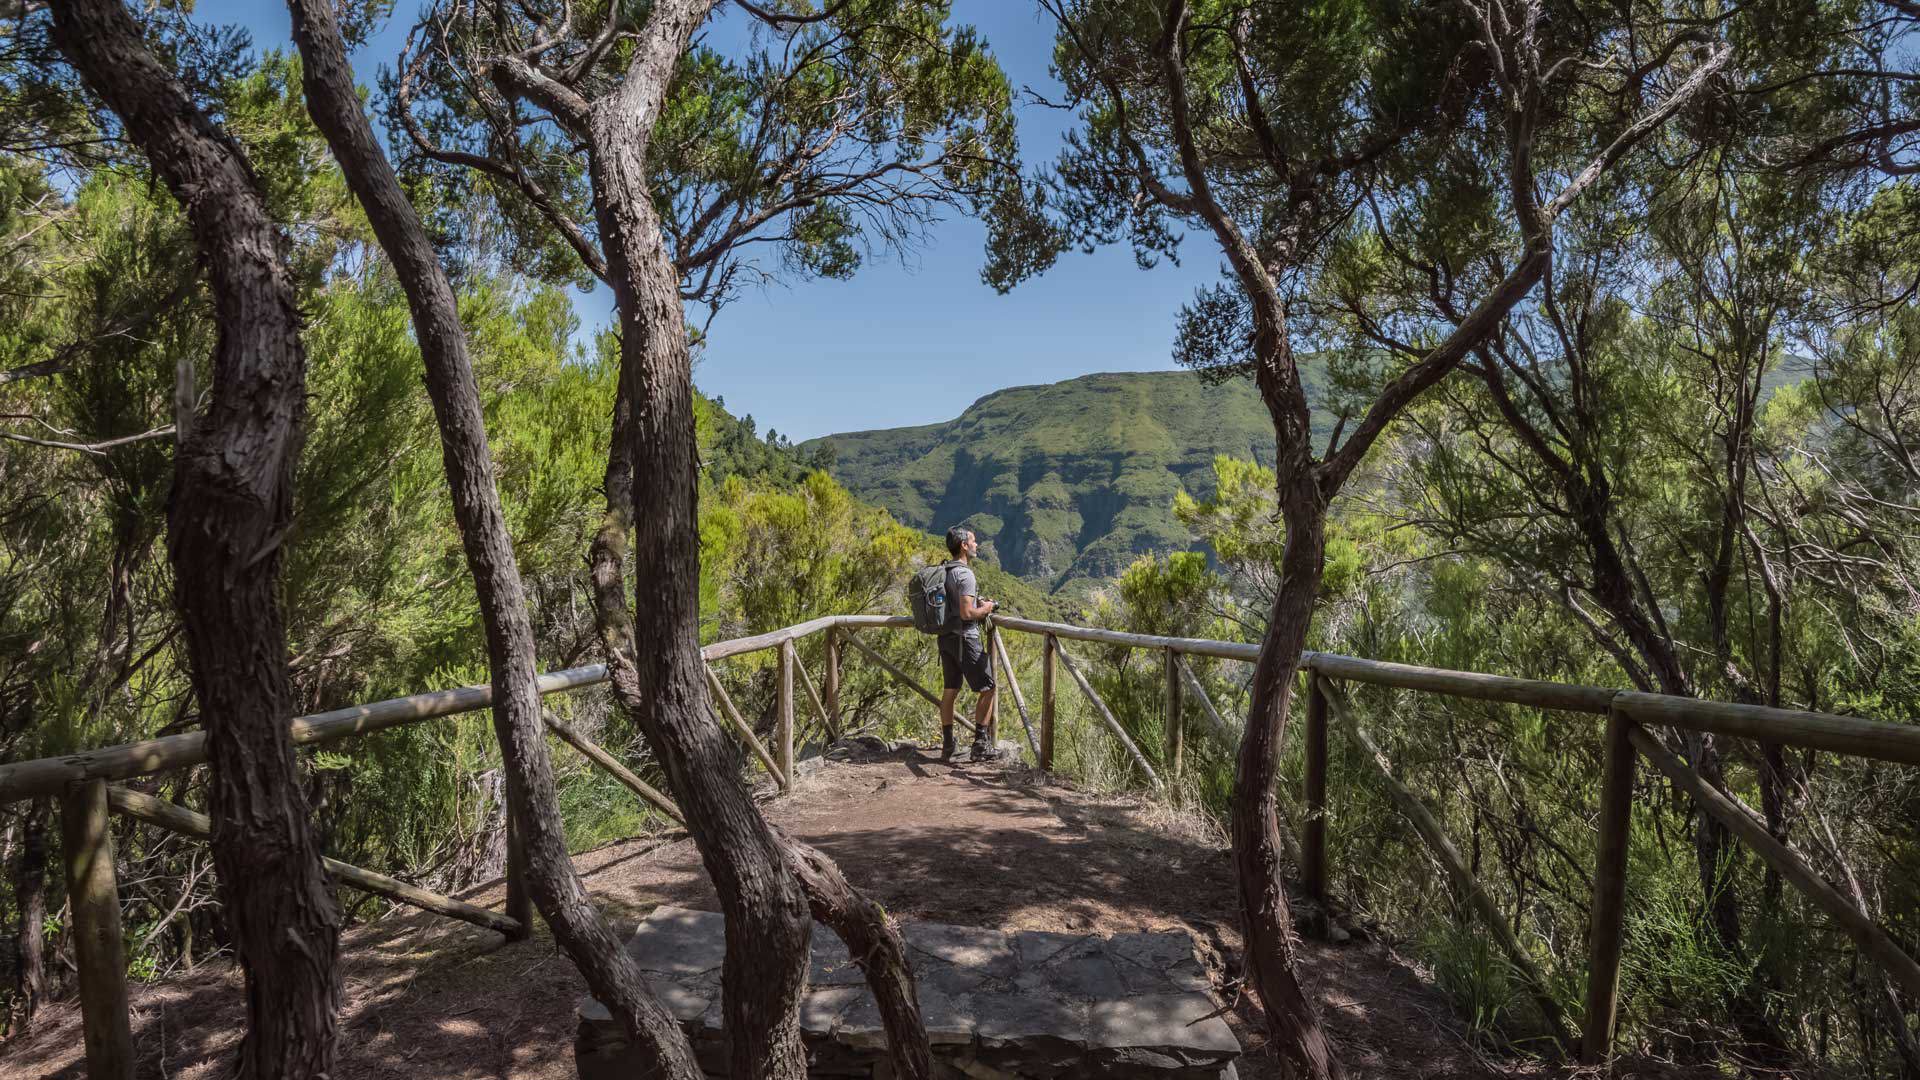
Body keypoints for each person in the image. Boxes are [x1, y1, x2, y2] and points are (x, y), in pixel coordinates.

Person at [938, 526, 1000, 762]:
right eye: (973, 541)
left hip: (946, 639)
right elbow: (966, 613)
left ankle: (948, 745)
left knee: (950, 691)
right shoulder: (965, 574)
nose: (977, 545)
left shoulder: (944, 570)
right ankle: (980, 745)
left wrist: (977, 602)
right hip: (965, 639)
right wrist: (987, 608)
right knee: (988, 688)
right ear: (964, 545)